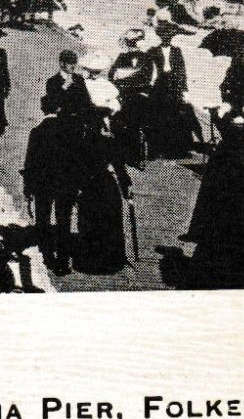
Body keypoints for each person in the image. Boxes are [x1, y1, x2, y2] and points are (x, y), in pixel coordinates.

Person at [185, 101, 244, 288]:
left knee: (209, 264)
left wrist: (199, 226)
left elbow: (206, 195)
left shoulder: (220, 155)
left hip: (217, 225)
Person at [70, 54, 131, 276]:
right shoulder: (108, 137)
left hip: (89, 182)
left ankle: (89, 257)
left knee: (90, 218)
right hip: (105, 183)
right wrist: (125, 183)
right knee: (109, 217)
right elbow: (118, 162)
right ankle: (110, 258)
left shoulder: (84, 137)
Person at [22, 93, 76, 274]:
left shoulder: (37, 132)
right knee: (64, 221)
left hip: (43, 184)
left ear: (43, 109)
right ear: (59, 109)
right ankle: (63, 260)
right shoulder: (69, 131)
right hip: (65, 183)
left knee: (43, 220)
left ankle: (47, 257)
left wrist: (28, 188)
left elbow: (30, 163)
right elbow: (75, 160)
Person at [146, 14, 194, 160]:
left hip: (173, 86)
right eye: (164, 35)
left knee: (175, 117)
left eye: (169, 35)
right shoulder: (152, 51)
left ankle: (174, 150)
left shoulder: (177, 51)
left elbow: (182, 71)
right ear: (160, 36)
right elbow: (148, 70)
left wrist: (184, 89)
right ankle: (157, 149)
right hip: (159, 86)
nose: (167, 37)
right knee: (158, 117)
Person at [109, 29, 154, 166]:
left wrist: (123, 79)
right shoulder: (146, 57)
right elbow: (147, 78)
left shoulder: (123, 57)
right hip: (140, 95)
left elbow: (112, 76)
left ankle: (125, 152)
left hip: (128, 95)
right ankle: (136, 155)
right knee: (136, 124)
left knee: (122, 121)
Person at [45, 49, 95, 120]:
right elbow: (53, 104)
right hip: (63, 120)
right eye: (70, 63)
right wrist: (64, 87)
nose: (73, 66)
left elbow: (87, 100)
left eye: (74, 63)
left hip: (81, 119)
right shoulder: (52, 81)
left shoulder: (79, 78)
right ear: (62, 63)